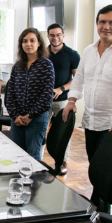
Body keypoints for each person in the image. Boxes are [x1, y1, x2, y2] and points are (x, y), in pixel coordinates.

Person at [63, 4, 112, 212]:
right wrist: (71, 101)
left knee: (106, 176)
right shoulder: (88, 50)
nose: (106, 26)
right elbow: (79, 79)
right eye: (102, 22)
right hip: (91, 121)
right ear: (97, 24)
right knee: (95, 171)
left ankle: (100, 220)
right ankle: (95, 217)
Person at [6, 28, 55, 161]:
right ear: (21, 45)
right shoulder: (17, 67)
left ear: (39, 43)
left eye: (32, 41)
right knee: (17, 156)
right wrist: (15, 115)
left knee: (32, 158)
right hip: (17, 119)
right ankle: (18, 182)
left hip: (37, 119)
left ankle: (33, 182)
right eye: (25, 41)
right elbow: (10, 94)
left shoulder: (47, 65)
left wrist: (30, 115)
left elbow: (46, 97)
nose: (28, 44)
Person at [46, 23, 80, 175]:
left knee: (62, 131)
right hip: (43, 100)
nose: (55, 38)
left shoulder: (72, 54)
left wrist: (62, 89)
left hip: (62, 100)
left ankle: (62, 161)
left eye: (58, 35)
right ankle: (37, 160)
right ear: (48, 36)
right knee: (40, 130)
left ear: (63, 36)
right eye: (52, 35)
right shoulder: (42, 53)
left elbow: (77, 79)